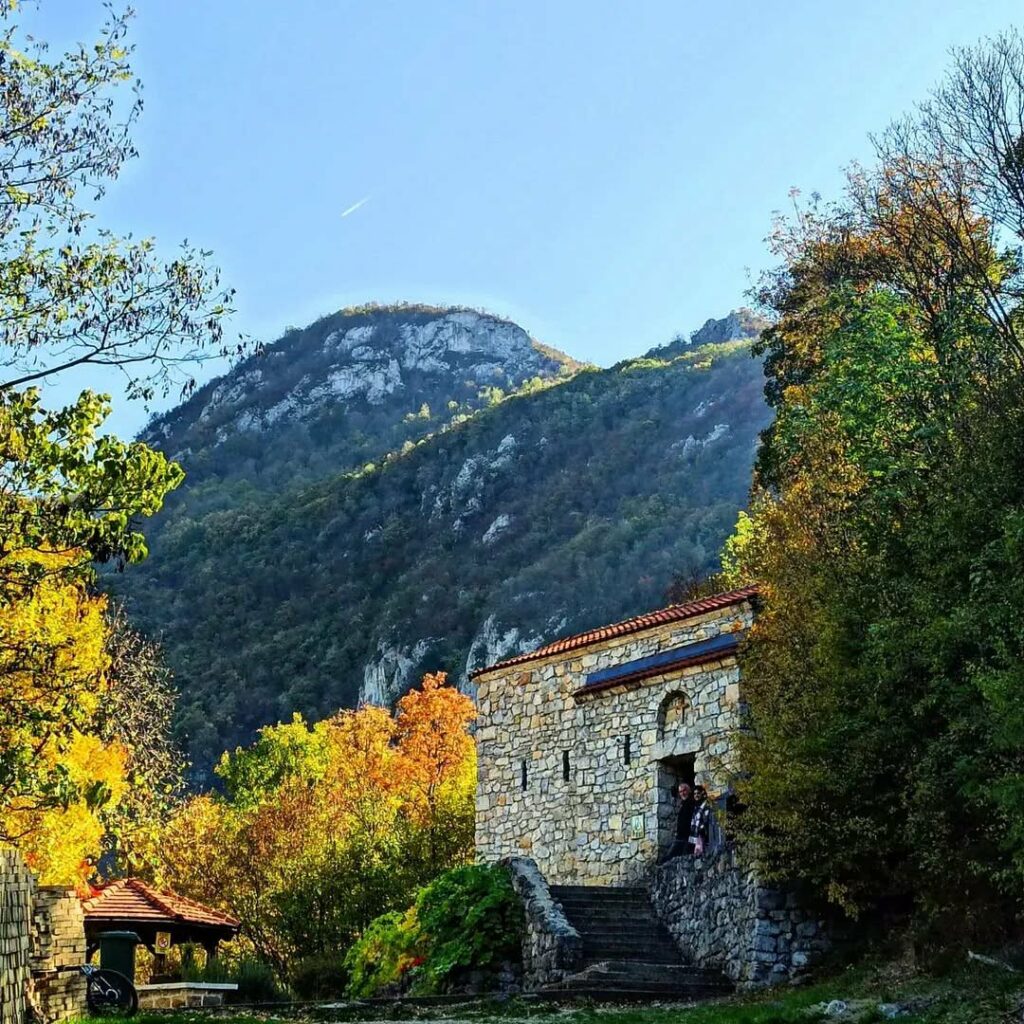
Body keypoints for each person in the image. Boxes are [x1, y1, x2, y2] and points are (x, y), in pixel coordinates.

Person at [660, 781, 695, 862]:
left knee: (669, 858)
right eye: (680, 792)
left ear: (689, 790)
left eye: (684, 790)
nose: (682, 793)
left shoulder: (691, 803)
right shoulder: (684, 804)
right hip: (681, 836)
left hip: (686, 837)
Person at [689, 784, 713, 857]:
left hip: (704, 835)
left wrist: (702, 829)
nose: (696, 795)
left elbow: (706, 819)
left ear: (702, 794)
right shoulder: (695, 807)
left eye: (698, 793)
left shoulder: (706, 805)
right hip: (695, 834)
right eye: (695, 794)